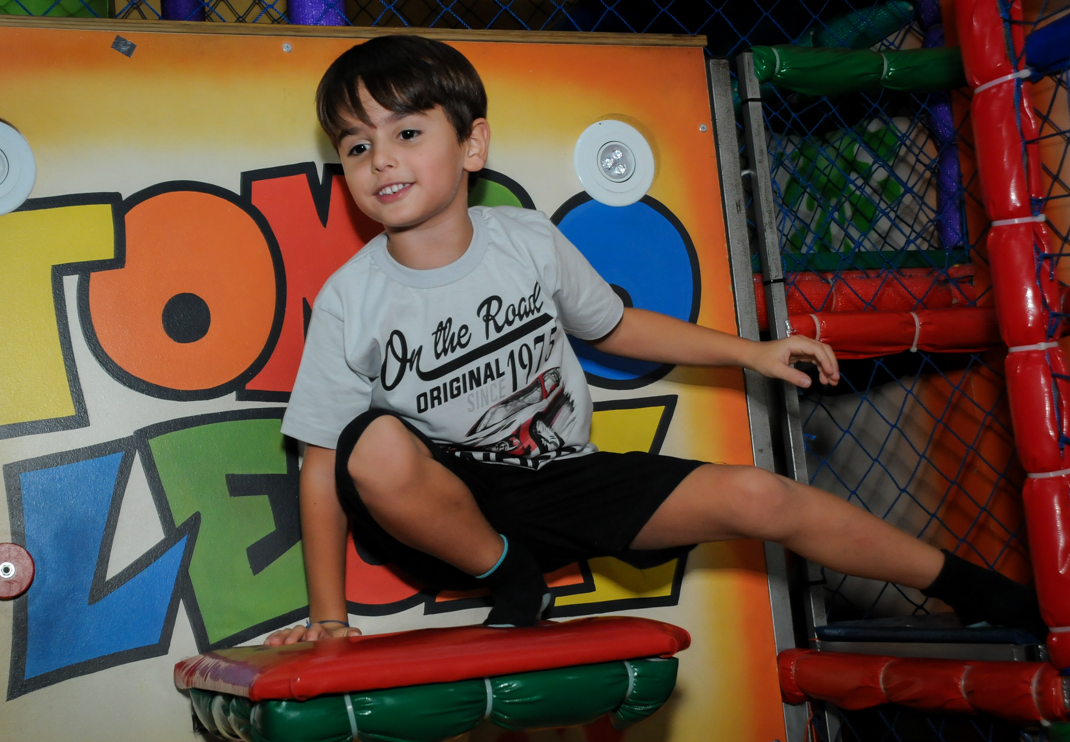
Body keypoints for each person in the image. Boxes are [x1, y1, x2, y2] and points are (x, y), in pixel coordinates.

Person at [267, 34, 1044, 644]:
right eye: (358, 144)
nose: (383, 159)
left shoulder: (528, 240)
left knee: (760, 492)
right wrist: (330, 620)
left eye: (405, 131)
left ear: (472, 146)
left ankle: (981, 592)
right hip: (448, 508)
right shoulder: (353, 299)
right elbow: (322, 468)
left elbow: (616, 325)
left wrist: (754, 351)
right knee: (366, 441)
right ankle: (512, 574)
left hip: (562, 477)